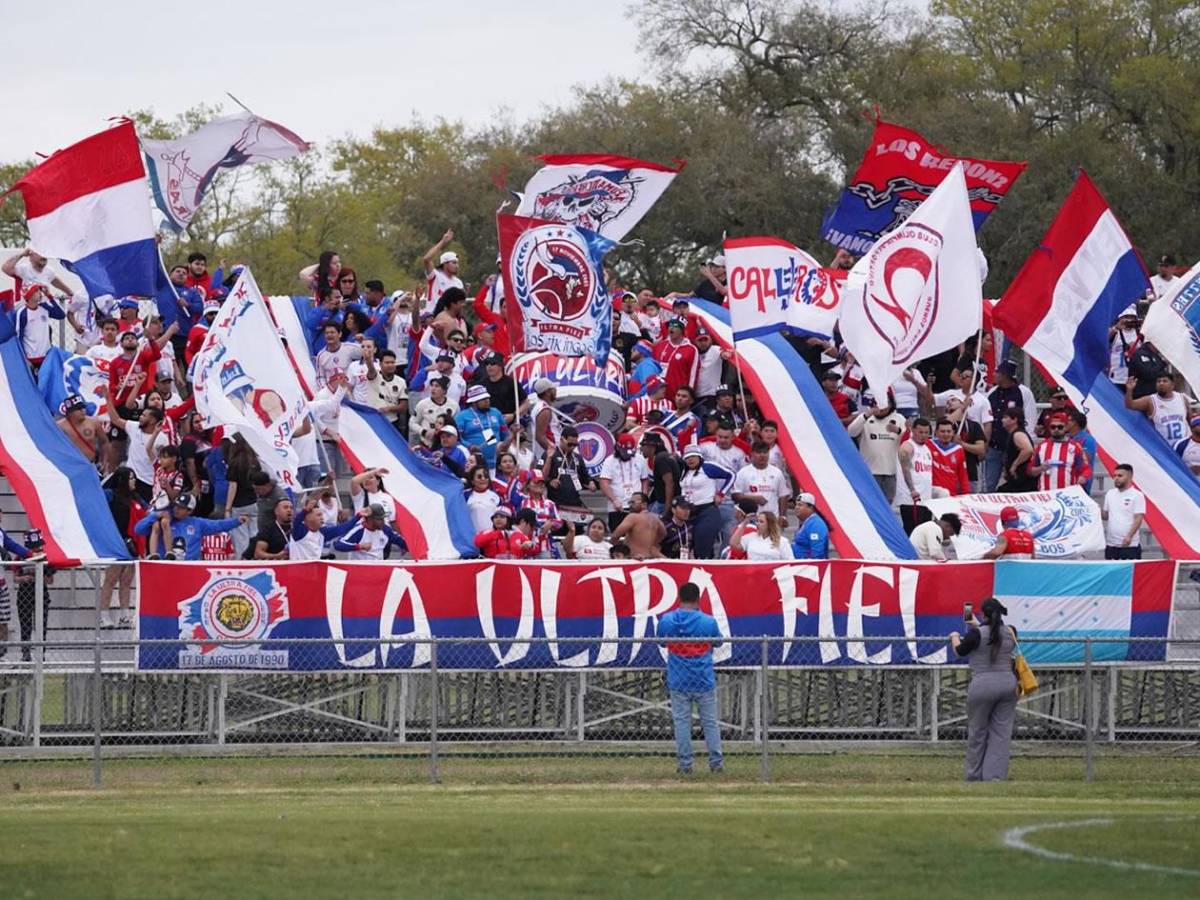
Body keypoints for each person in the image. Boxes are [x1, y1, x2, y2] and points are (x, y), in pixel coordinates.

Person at [657, 581, 724, 775]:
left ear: (679, 598)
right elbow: (718, 642)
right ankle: (716, 762)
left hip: (678, 678)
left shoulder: (667, 620)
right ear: (698, 599)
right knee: (710, 722)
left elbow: (661, 641)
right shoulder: (708, 621)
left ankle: (685, 764)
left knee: (681, 722)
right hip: (703, 677)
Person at [950, 598, 1019, 782]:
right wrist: (979, 625)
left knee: (978, 731)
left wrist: (954, 636)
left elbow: (960, 651)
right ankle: (994, 777)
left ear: (984, 614)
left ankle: (974, 775)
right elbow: (995, 636)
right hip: (1008, 684)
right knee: (1001, 734)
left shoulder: (976, 634)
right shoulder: (1011, 631)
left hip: (983, 684)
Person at [134, 494, 247, 561]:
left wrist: (236, 521)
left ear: (190, 511)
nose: (176, 510)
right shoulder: (165, 520)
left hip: (189, 568)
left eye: (181, 508)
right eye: (176, 506)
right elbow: (138, 530)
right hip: (165, 566)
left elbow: (218, 525)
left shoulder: (197, 523)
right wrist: (155, 515)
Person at [677, 445, 734, 559]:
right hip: (689, 512)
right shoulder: (685, 471)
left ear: (699, 457)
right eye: (687, 457)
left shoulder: (708, 467)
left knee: (703, 543)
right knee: (688, 544)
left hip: (706, 510)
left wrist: (721, 494)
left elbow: (731, 475)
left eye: (693, 456)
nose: (690, 459)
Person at [598, 433, 651, 531]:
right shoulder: (609, 461)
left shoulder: (640, 459)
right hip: (617, 507)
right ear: (618, 448)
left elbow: (644, 480)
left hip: (636, 507)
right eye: (625, 452)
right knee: (619, 535)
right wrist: (614, 500)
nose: (627, 455)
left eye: (630, 452)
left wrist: (644, 499)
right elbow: (604, 483)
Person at [1030, 413, 1092, 491]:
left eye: (1060, 427)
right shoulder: (1041, 446)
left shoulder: (1075, 447)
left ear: (1066, 427)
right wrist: (1041, 468)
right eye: (1053, 427)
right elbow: (1030, 470)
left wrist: (1082, 478)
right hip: (1046, 495)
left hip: (1067, 495)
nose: (1056, 430)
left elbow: (1086, 469)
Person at [1125, 372, 1190, 445]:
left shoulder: (1182, 398)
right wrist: (1129, 390)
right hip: (1164, 446)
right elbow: (1130, 405)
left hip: (1183, 444)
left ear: (1172, 385)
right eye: (1159, 381)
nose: (1161, 383)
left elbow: (1190, 419)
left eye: (1165, 381)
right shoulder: (1150, 400)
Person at [455, 384, 509, 470]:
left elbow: (505, 434)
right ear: (474, 402)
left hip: (497, 463)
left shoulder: (496, 413)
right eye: (483, 399)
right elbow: (456, 438)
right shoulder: (462, 416)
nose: (487, 401)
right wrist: (469, 446)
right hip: (474, 464)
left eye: (487, 398)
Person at [897, 418, 935, 534]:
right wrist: (912, 489)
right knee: (913, 532)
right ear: (913, 430)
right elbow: (905, 467)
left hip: (925, 500)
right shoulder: (908, 446)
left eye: (926, 433)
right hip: (911, 500)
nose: (923, 435)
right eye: (920, 432)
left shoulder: (927, 449)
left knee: (924, 533)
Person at [1102, 463, 1146, 560]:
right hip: (1111, 544)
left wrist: (1129, 536)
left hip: (1129, 545)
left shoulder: (1137, 495)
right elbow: (1105, 516)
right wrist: (1094, 509)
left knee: (1129, 575)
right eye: (1115, 476)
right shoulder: (1110, 493)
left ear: (1129, 477)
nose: (1116, 478)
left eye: (1120, 476)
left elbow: (1138, 518)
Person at [332, 503, 407, 560]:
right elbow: (338, 545)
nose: (383, 522)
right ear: (370, 519)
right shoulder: (358, 530)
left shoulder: (385, 529)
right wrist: (359, 547)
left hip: (378, 570)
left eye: (383, 518)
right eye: (379, 519)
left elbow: (401, 541)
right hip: (359, 572)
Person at [609, 492, 666, 559]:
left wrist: (623, 546)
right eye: (629, 503)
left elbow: (614, 536)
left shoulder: (633, 517)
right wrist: (651, 544)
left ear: (644, 504)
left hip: (635, 558)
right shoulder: (656, 518)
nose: (630, 505)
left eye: (633, 503)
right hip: (649, 558)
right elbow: (663, 534)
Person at [421, 230, 464, 316]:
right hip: (432, 317)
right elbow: (426, 259)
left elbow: (460, 304)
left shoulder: (458, 282)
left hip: (450, 319)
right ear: (445, 264)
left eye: (457, 263)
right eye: (454, 263)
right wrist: (443, 242)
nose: (457, 266)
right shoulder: (435, 276)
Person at [474, 507, 540, 559]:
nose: (498, 519)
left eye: (502, 517)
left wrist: (530, 545)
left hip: (514, 569)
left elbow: (535, 550)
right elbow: (477, 542)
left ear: (509, 520)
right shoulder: (487, 532)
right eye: (495, 517)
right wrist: (498, 534)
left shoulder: (518, 534)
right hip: (492, 571)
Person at [996, 409, 1036, 493]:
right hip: (1016, 478)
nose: (1002, 420)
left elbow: (1028, 450)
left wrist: (1014, 465)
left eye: (1005, 417)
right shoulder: (1013, 433)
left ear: (1015, 420)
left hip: (1022, 478)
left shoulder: (1018, 434)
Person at [464, 465, 503, 534]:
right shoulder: (465, 495)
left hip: (492, 538)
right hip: (473, 538)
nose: (483, 478)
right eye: (479, 477)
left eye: (486, 476)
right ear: (472, 481)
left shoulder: (496, 496)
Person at [791, 493, 830, 559]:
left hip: (809, 566)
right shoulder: (807, 522)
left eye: (800, 505)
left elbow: (817, 552)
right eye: (796, 505)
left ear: (810, 507)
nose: (796, 507)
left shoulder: (816, 524)